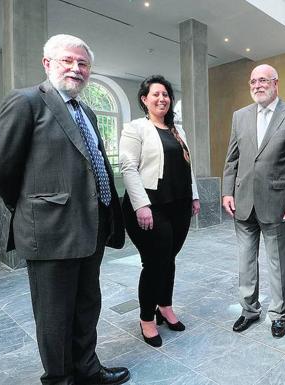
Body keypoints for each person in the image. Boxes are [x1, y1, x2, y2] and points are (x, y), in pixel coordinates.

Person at [0, 34, 129, 385]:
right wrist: (34, 208)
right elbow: (1, 169)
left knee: (86, 305)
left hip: (92, 226)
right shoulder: (26, 101)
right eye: (68, 61)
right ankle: (60, 378)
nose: (76, 69)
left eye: (83, 64)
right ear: (47, 63)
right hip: (50, 229)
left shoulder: (88, 111)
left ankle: (88, 369)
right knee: (54, 314)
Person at [222, 64, 285, 338]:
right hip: (243, 201)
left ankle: (278, 313)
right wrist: (227, 191)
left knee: (279, 261)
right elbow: (232, 158)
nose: (257, 85)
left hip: (277, 202)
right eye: (253, 81)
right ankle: (249, 310)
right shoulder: (239, 116)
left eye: (263, 80)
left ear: (276, 84)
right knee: (246, 260)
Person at [119, 75, 200, 347]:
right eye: (156, 94)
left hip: (179, 205)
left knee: (170, 258)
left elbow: (188, 166)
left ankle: (164, 306)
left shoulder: (178, 131)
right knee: (155, 262)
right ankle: (146, 318)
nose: (162, 98)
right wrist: (140, 205)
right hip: (150, 207)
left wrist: (195, 196)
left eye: (165, 94)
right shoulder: (136, 128)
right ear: (145, 99)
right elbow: (128, 167)